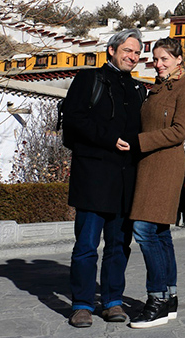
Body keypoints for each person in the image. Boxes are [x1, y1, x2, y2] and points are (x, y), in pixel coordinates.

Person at [62, 28, 146, 328]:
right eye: (128, 50)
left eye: (137, 53)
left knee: (118, 245)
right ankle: (82, 304)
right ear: (112, 50)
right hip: (93, 177)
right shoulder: (89, 80)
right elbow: (74, 119)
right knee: (86, 245)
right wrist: (110, 140)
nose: (132, 57)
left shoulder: (138, 90)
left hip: (126, 180)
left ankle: (112, 301)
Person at [125, 37, 185, 328]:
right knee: (159, 232)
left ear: (179, 59)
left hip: (165, 166)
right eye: (155, 59)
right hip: (145, 165)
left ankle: (155, 300)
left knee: (143, 229)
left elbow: (179, 131)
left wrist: (138, 142)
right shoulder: (154, 90)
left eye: (164, 59)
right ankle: (169, 297)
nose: (158, 64)